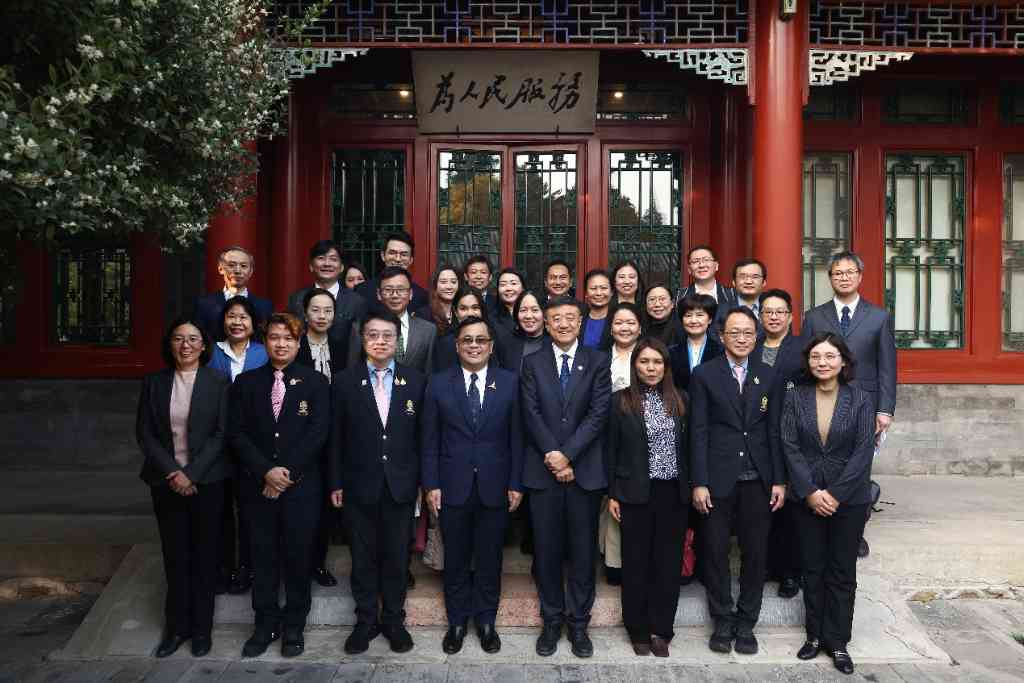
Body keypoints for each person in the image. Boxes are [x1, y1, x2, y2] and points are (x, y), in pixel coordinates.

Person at [229, 313, 330, 658]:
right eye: (274, 337)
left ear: (298, 344)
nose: (281, 344)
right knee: (263, 557)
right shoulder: (246, 383)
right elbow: (236, 433)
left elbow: (318, 433)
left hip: (300, 488)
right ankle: (265, 623)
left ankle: (294, 626)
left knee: (298, 557)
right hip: (257, 488)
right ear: (265, 342)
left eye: (288, 338)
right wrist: (265, 472)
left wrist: (286, 474)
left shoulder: (315, 382)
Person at [422, 316, 523, 655]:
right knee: (456, 559)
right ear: (457, 346)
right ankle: (457, 622)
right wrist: (431, 483)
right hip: (452, 486)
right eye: (468, 340)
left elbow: (517, 438)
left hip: (496, 485)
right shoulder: (438, 383)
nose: (474, 346)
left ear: (491, 347)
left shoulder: (509, 382)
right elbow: (429, 440)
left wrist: (516, 483)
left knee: (490, 558)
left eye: (481, 340)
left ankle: (486, 621)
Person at [328, 310, 426, 655]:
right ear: (363, 338)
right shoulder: (344, 381)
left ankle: (394, 620)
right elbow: (335, 437)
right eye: (373, 335)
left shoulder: (416, 380)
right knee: (363, 557)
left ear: (397, 340)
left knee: (397, 556)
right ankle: (366, 620)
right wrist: (336, 481)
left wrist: (422, 483)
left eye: (387, 335)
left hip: (401, 484)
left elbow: (423, 437)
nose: (380, 341)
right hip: (358, 483)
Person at [689, 307, 786, 656]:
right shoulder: (704, 375)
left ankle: (746, 621)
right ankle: (722, 619)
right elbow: (698, 431)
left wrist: (779, 479)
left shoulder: (768, 375)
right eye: (735, 332)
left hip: (758, 478)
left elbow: (774, 431)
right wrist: (699, 481)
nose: (742, 339)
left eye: (748, 333)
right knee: (715, 551)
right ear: (721, 336)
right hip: (717, 478)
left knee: (755, 552)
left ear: (756, 337)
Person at [521, 295, 612, 658]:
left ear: (580, 323)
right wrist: (554, 456)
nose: (562, 324)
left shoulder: (597, 361)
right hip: (543, 472)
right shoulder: (532, 362)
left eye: (569, 318)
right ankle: (551, 621)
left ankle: (578, 624)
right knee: (546, 552)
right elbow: (530, 413)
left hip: (583, 472)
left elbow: (599, 412)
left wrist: (568, 455)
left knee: (582, 553)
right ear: (546, 323)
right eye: (555, 318)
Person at [782, 333, 876, 676]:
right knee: (812, 568)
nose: (822, 362)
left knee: (842, 571)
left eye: (830, 356)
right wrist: (809, 491)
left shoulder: (861, 399)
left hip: (848, 500)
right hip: (807, 497)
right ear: (808, 362)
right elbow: (789, 444)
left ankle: (838, 641)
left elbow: (863, 450)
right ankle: (814, 635)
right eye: (816, 356)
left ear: (843, 361)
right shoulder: (795, 397)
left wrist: (835, 494)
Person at [137, 317, 230, 658]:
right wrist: (174, 473)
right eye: (178, 338)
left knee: (205, 556)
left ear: (204, 345)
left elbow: (222, 433)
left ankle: (202, 630)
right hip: (166, 482)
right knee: (175, 557)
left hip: (208, 482)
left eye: (193, 339)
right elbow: (145, 433)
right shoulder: (154, 382)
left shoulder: (218, 382)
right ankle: (176, 628)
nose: (185, 345)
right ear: (170, 344)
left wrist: (192, 473)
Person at [802, 251, 896, 559]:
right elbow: (806, 364)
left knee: (858, 469)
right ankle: (823, 528)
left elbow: (887, 367)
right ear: (830, 278)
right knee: (825, 465)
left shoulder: (879, 317)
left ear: (860, 276)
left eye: (849, 272)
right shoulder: (814, 317)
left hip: (864, 406)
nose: (844, 277)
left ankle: (855, 534)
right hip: (822, 402)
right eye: (837, 273)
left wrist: (885, 409)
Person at [606, 338, 689, 658]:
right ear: (635, 366)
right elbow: (611, 449)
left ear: (666, 367)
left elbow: (690, 447)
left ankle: (661, 630)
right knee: (636, 563)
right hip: (634, 492)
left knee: (668, 564)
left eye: (657, 362)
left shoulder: (681, 399)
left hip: (673, 493)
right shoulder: (620, 401)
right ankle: (638, 629)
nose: (651, 368)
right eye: (644, 362)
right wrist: (612, 493)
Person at [207, 296, 268, 596]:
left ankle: (247, 567)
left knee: (250, 509)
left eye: (244, 317)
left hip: (253, 443)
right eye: (231, 316)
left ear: (254, 324)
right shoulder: (210, 353)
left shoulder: (263, 353)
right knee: (219, 510)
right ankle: (221, 569)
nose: (237, 322)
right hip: (217, 441)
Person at [294, 289, 347, 588]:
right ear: (305, 313)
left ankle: (318, 562)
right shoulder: (295, 346)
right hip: (300, 433)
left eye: (328, 310)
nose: (322, 316)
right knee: (302, 503)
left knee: (326, 504)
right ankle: (297, 564)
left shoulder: (342, 346)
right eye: (316, 310)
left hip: (335, 433)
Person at [756, 288, 807, 599]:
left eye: (780, 312)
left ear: (790, 316)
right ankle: (766, 565)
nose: (773, 317)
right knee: (763, 505)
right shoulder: (751, 346)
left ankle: (790, 571)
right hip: (757, 435)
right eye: (768, 312)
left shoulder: (802, 349)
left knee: (790, 507)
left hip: (791, 434)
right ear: (760, 316)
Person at [597, 301, 642, 586]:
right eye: (619, 323)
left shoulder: (649, 356)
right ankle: (611, 559)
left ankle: (633, 559)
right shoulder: (599, 358)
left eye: (630, 322)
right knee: (608, 496)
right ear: (610, 328)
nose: (624, 328)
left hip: (640, 438)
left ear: (639, 327)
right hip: (604, 435)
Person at [349, 266, 435, 375]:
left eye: (401, 289)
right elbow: (352, 372)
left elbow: (429, 373)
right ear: (379, 294)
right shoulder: (359, 328)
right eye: (388, 290)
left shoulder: (428, 330)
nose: (395, 295)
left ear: (411, 294)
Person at [288, 240, 366, 352]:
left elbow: (359, 342)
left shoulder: (356, 301)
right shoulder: (297, 299)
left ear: (342, 267)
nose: (327, 263)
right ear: (311, 266)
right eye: (321, 258)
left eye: (333, 259)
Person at [193, 246, 272, 341]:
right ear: (221, 269)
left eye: (243, 266)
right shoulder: (205, 305)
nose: (237, 271)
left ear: (250, 271)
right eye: (231, 265)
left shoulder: (264, 306)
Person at [354, 232, 429, 311]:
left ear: (411, 260)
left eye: (403, 254)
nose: (397, 259)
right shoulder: (362, 291)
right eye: (392, 253)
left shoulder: (421, 296)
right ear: (383, 256)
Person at [669, 293, 724, 392]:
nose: (693, 320)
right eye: (688, 315)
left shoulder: (721, 351)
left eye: (699, 315)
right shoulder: (672, 352)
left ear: (710, 319)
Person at [433, 288, 496, 371]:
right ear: (456, 312)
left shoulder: (495, 337)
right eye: (463, 309)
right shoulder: (444, 344)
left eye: (475, 308)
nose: (470, 313)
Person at [675, 245, 735, 323]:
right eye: (695, 261)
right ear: (689, 269)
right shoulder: (679, 296)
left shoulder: (732, 294)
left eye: (706, 260)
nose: (701, 265)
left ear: (716, 266)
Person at [499, 290, 547, 374]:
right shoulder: (506, 343)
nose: (528, 316)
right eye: (523, 310)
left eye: (535, 310)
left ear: (544, 313)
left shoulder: (555, 342)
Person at [424, 264, 462, 336]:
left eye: (453, 282)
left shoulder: (460, 313)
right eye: (443, 282)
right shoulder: (424, 314)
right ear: (435, 285)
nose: (449, 287)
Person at [644, 283, 685, 348]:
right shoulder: (641, 326)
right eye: (652, 299)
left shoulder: (683, 328)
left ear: (672, 303)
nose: (657, 304)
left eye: (662, 299)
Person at [581, 269, 612, 349]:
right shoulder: (578, 317)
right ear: (586, 293)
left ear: (611, 292)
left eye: (604, 288)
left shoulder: (618, 319)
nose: (598, 293)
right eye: (593, 288)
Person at [492, 267, 526, 335]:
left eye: (513, 283)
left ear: (523, 288)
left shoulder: (533, 314)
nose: (508, 288)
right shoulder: (491, 318)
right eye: (503, 284)